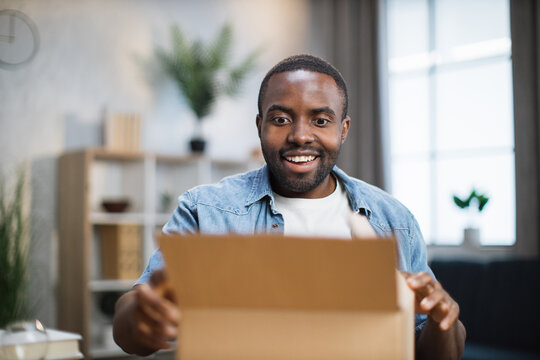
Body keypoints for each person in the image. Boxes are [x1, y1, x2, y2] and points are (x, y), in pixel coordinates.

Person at [113, 54, 466, 359]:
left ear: (343, 130)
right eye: (281, 119)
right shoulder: (205, 210)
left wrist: (441, 320)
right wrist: (141, 315)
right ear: (260, 126)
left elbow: (432, 351)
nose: (299, 135)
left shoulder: (395, 220)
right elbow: (129, 327)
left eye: (320, 120)